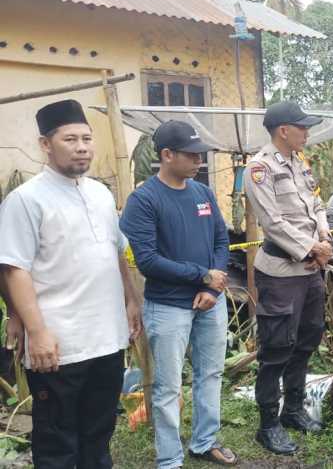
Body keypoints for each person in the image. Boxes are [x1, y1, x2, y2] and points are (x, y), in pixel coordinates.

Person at [0, 99, 141, 468]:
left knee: (99, 434)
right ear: (46, 145)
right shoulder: (26, 200)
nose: (82, 147)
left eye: (87, 138)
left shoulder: (100, 193)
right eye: (70, 139)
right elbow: (14, 269)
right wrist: (37, 331)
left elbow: (115, 252)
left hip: (107, 339)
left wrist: (130, 301)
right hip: (59, 344)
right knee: (58, 442)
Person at [120, 120, 236, 468]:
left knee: (211, 374)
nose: (198, 160)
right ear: (166, 155)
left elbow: (221, 239)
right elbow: (149, 261)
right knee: (168, 386)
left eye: (200, 153)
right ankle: (169, 458)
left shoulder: (203, 193)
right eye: (190, 154)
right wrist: (202, 276)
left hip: (209, 302)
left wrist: (210, 288)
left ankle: (204, 441)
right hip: (168, 306)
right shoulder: (143, 200)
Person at [244, 101, 332, 455]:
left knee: (307, 339)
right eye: (302, 127)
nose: (307, 132)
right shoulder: (259, 168)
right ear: (283, 130)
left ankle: (293, 410)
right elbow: (272, 222)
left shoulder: (300, 164)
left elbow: (318, 205)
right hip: (281, 272)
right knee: (276, 348)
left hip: (310, 270)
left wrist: (324, 239)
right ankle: (268, 425)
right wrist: (313, 248)